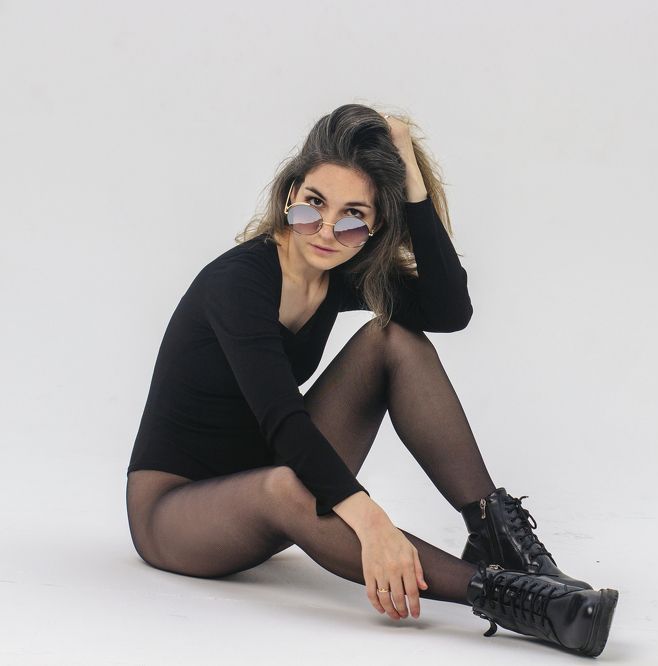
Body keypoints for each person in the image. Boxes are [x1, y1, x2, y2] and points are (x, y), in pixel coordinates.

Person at [125, 103, 618, 657]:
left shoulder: (337, 274)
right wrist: (373, 522)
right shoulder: (238, 283)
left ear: (375, 226)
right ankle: (514, 598)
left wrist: (413, 183)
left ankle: (495, 534)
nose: (326, 230)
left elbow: (450, 311)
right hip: (175, 513)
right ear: (290, 196)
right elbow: (282, 420)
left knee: (392, 339)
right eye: (314, 205)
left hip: (272, 477)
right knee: (283, 485)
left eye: (353, 217)